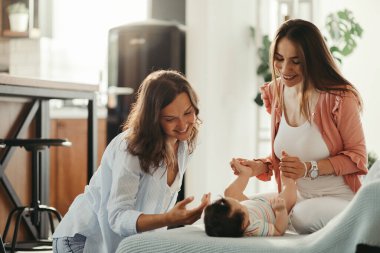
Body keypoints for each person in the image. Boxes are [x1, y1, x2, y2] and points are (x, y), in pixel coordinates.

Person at [232, 19, 368, 234]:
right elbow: (287, 157)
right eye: (279, 58)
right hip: (294, 198)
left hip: (338, 198)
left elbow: (358, 157)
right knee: (237, 210)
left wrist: (309, 168)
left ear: (313, 59)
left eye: (296, 61)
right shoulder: (275, 92)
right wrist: (259, 167)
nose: (285, 69)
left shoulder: (340, 98)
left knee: (301, 217)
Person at [52, 70, 210, 253]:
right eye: (170, 119)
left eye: (188, 113)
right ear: (153, 119)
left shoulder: (184, 144)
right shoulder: (131, 148)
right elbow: (118, 217)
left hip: (125, 246)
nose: (183, 125)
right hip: (84, 241)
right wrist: (169, 218)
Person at [204, 155, 296, 237]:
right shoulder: (254, 228)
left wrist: (208, 208)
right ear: (245, 223)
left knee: (229, 192)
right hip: (272, 209)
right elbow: (278, 231)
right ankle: (288, 181)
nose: (242, 204)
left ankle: (245, 173)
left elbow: (213, 224)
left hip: (256, 203)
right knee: (288, 194)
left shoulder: (236, 218)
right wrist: (280, 210)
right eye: (241, 206)